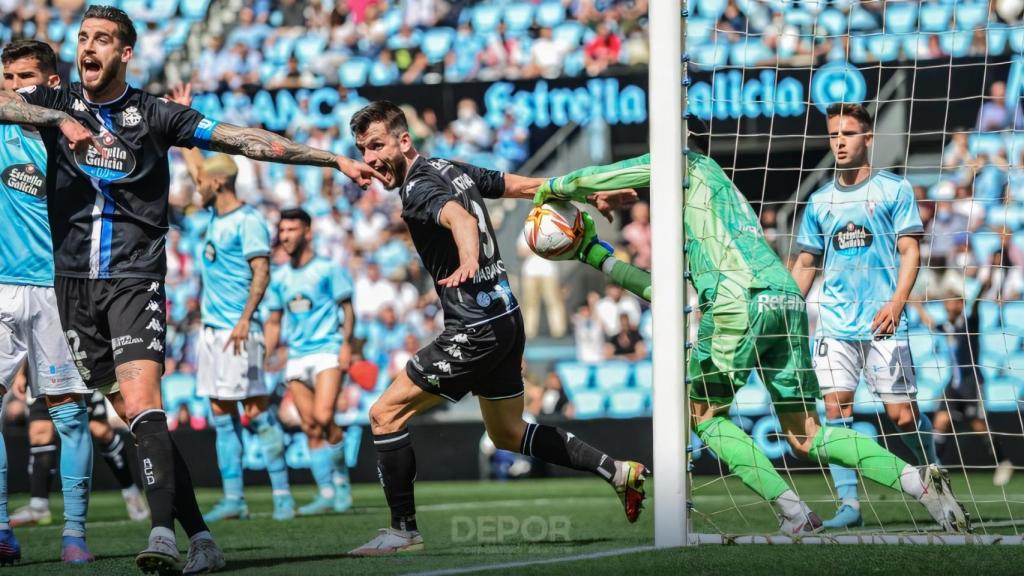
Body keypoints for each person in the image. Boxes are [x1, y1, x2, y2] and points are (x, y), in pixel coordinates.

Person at [0, 6, 381, 573]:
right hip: (71, 287)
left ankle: (161, 534)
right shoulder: (58, 103)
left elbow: (243, 140)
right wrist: (59, 123)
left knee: (144, 404)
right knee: (133, 414)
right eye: (83, 37)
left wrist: (330, 159)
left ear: (124, 53)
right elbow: (5, 104)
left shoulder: (155, 114)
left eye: (102, 39)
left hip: (133, 277)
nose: (89, 47)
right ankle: (201, 534)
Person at [531, 130, 970, 535]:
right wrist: (598, 255)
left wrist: (550, 188)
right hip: (782, 294)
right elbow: (665, 291)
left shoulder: (685, 165)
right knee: (806, 436)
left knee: (702, 418)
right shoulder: (715, 192)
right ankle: (921, 484)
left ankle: (795, 513)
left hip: (737, 301)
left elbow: (601, 175)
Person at [347, 100, 647, 556]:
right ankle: (617, 471)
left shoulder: (420, 186)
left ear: (403, 141)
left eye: (376, 146)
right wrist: (588, 195)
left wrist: (468, 257)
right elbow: (519, 184)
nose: (369, 159)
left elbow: (460, 218)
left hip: (474, 328)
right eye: (362, 150)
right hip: (505, 318)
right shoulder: (450, 168)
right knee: (507, 433)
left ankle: (402, 530)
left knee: (384, 415)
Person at [791, 103, 939, 529]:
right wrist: (788, 306)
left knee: (902, 416)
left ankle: (932, 469)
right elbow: (806, 263)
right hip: (835, 324)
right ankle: (850, 506)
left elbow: (910, 251)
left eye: (848, 134)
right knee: (835, 410)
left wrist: (896, 303)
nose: (839, 142)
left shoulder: (894, 190)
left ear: (867, 138)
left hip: (883, 321)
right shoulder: (820, 201)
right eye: (833, 134)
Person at [0, 38, 99, 565]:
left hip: (57, 291)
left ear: (53, 83)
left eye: (24, 78)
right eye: (7, 78)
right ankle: (0, 529)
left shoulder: (76, 139)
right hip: (0, 286)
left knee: (70, 417)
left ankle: (74, 533)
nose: (13, 88)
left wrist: (60, 122)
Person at [178, 151, 296, 522]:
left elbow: (262, 272)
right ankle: (235, 499)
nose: (195, 189)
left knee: (256, 410)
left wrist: (246, 319)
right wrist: (182, 129)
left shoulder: (248, 221)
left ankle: (282, 496)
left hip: (238, 329)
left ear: (217, 183)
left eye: (201, 184)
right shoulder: (215, 213)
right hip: (213, 331)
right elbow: (200, 169)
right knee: (220, 411)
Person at [264, 208, 355, 516]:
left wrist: (346, 345)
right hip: (297, 356)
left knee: (324, 414)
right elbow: (275, 320)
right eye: (283, 230)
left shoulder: (328, 269)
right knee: (310, 427)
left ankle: (342, 483)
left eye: (292, 229)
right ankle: (326, 492)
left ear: (307, 232)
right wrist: (268, 352)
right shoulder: (280, 277)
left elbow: (348, 309)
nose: (285, 236)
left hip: (327, 349)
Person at [914, 277, 1013, 487]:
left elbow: (976, 305)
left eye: (951, 300)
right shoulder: (947, 326)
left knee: (978, 424)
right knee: (940, 421)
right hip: (954, 383)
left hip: (971, 382)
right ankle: (934, 468)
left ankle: (1002, 461)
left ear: (960, 303)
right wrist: (916, 305)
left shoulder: (969, 322)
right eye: (945, 301)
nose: (947, 304)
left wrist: (983, 287)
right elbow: (930, 323)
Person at [11, 390, 149, 529]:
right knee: (39, 431)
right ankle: (38, 506)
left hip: (75, 378)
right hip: (42, 378)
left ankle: (131, 493)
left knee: (100, 430)